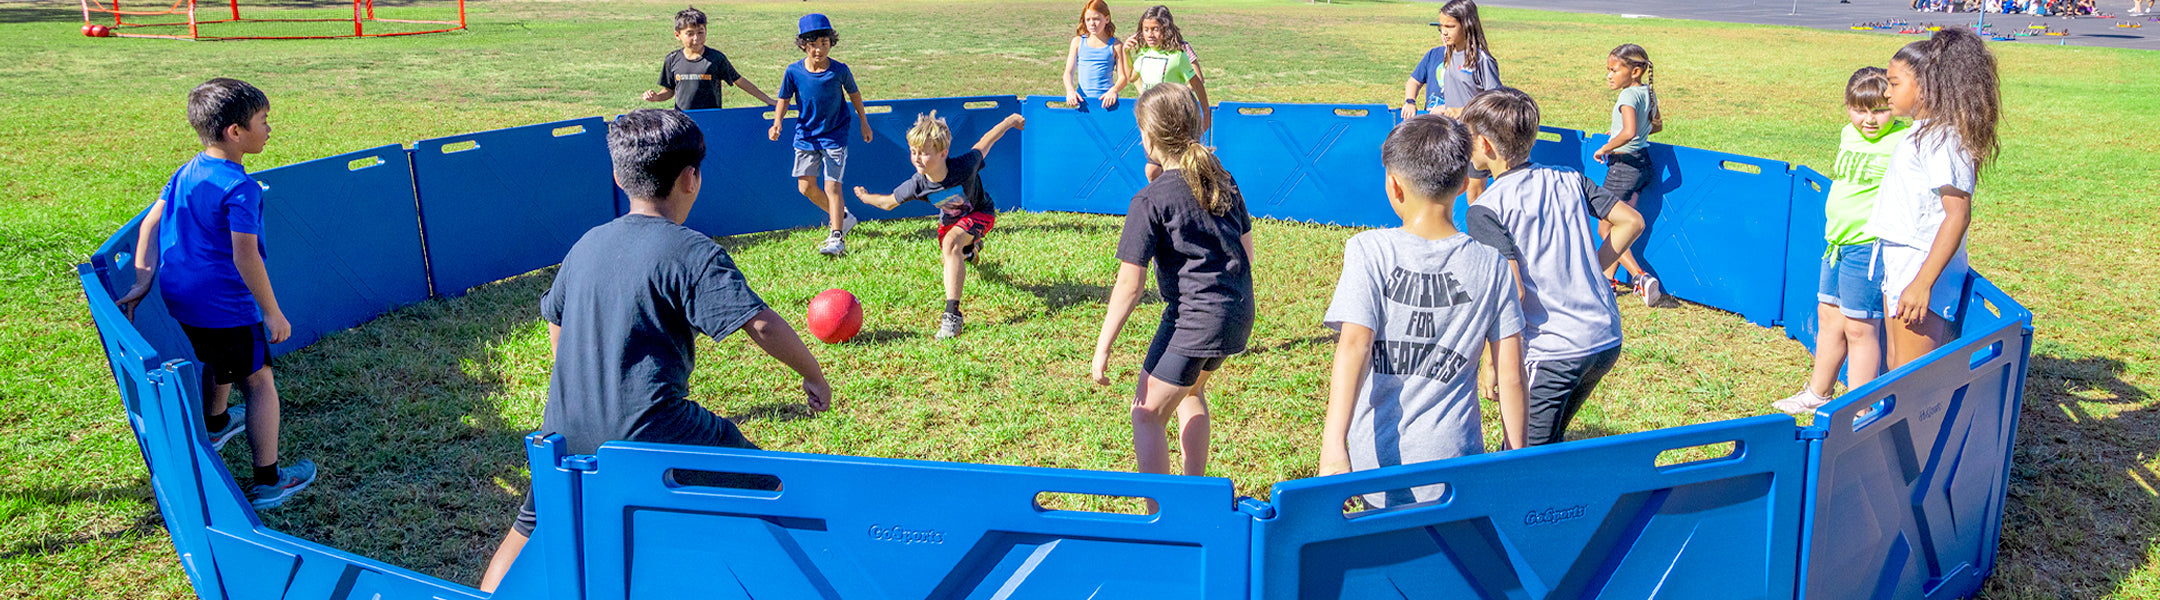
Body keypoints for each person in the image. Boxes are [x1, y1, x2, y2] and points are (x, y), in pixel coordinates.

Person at [477, 109, 833, 593]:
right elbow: (760, 324)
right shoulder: (692, 251)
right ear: (691, 178)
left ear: (621, 176)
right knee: (767, 486)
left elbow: (556, 321)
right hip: (655, 428)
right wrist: (812, 373)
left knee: (533, 523)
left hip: (563, 428)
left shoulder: (586, 244)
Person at [116, 78, 318, 510]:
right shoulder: (239, 187)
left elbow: (150, 224)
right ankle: (269, 481)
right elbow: (246, 257)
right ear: (235, 132)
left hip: (182, 299)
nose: (269, 129)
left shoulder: (188, 169)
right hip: (225, 304)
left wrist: (142, 279)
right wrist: (272, 312)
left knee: (217, 358)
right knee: (259, 381)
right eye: (264, 121)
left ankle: (217, 423)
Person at [1319, 115, 1527, 509]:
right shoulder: (1493, 264)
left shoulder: (1368, 250)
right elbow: (1512, 376)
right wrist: (1517, 456)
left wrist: (1333, 447)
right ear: (1465, 185)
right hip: (1455, 465)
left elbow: (1353, 347)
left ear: (1394, 186)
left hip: (1373, 463)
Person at [1460, 87, 1647, 447]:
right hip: (1605, 340)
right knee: (1549, 441)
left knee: (1521, 455)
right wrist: (1594, 266)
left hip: (1555, 351)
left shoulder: (1486, 207)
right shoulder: (1569, 178)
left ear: (1484, 145)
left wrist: (1490, 360)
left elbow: (1510, 291)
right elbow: (1631, 222)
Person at [1089, 83, 1253, 485]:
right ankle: (1194, 489)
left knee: (1146, 414)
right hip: (1235, 311)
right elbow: (1247, 254)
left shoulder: (1149, 199)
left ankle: (1161, 514)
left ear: (1148, 137)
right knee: (1191, 394)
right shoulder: (1224, 180)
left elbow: (1130, 285)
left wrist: (1102, 348)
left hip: (1195, 319)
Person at [1772, 67, 1909, 415]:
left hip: (1869, 246)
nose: (1869, 119)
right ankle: (1819, 394)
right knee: (1829, 317)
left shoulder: (1904, 142)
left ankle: (1859, 408)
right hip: (1836, 243)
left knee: (1860, 328)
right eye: (1860, 109)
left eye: (1879, 109)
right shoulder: (1848, 134)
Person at [1869, 28, 2001, 369]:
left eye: (1895, 83)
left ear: (1927, 87)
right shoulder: (1921, 131)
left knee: (1910, 377)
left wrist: (1922, 283)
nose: (1886, 92)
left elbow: (1957, 215)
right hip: (1902, 260)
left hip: (1920, 264)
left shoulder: (1944, 139)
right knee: (1896, 364)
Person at [851, 111, 1026, 339]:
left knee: (952, 244)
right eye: (913, 152)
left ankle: (952, 315)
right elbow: (887, 203)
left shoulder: (964, 166)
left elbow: (986, 141)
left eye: (924, 153)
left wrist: (1010, 121)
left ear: (943, 153)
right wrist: (866, 198)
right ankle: (970, 250)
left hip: (981, 213)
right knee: (951, 252)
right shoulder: (917, 184)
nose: (917, 158)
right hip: (951, 222)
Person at [769, 13, 871, 257]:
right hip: (806, 135)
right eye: (813, 44)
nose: (818, 49)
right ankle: (843, 218)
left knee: (832, 186)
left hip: (835, 135)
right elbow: (783, 99)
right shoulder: (793, 72)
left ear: (831, 43)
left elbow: (855, 95)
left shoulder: (839, 70)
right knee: (805, 187)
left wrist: (864, 123)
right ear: (803, 44)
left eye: (824, 43)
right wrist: (777, 123)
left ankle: (837, 238)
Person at [1401, 0, 1502, 201]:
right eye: (1441, 27)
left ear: (1467, 25)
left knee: (1474, 191)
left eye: (1449, 26)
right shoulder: (1448, 53)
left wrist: (1460, 110)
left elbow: (1496, 102)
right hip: (1452, 134)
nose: (1443, 32)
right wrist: (1446, 109)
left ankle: (1479, 230)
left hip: (1476, 137)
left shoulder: (1482, 60)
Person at [1591, 43, 1666, 307]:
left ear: (1635, 71)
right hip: (1642, 166)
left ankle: (1639, 277)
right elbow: (1656, 127)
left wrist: (1605, 147)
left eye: (1613, 70)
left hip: (1623, 168)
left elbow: (1629, 131)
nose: (1609, 76)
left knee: (1605, 227)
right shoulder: (1649, 92)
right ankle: (1609, 283)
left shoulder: (1626, 97)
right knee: (1618, 226)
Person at [1110, 5, 1210, 181]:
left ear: (1166, 29)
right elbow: (1133, 76)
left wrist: (1206, 114)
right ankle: (1161, 202)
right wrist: (1126, 52)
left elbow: (1198, 84)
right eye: (1146, 30)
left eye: (1155, 29)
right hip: (1152, 119)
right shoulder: (1143, 53)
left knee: (1180, 166)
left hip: (1175, 119)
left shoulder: (1178, 56)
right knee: (1153, 170)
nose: (1150, 34)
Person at [641, 6, 776, 111]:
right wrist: (657, 97)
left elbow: (739, 81)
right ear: (677, 35)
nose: (696, 38)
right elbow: (669, 91)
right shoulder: (672, 59)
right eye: (690, 34)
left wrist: (768, 100)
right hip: (683, 120)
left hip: (712, 118)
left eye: (701, 32)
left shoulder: (716, 58)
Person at [1062, 0, 1129, 110]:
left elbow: (1123, 77)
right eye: (1088, 19)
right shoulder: (1077, 42)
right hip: (1083, 102)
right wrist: (1070, 90)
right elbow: (1068, 73)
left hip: (1107, 102)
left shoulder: (1116, 45)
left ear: (1107, 19)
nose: (1092, 23)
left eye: (1096, 19)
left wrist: (1113, 91)